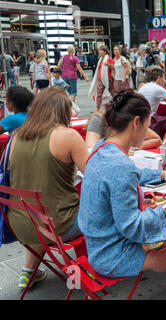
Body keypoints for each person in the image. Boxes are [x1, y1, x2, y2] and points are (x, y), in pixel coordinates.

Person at [77, 89, 166, 299]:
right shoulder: (119, 164)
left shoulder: (101, 149)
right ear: (136, 123)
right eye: (148, 126)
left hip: (98, 245)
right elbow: (132, 227)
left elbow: (134, 175)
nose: (147, 131)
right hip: (114, 255)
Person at [7, 87, 89, 289]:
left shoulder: (16, 136)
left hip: (20, 222)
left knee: (41, 210)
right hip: (58, 225)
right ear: (63, 110)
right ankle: (92, 269)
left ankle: (28, 272)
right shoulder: (67, 135)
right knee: (102, 207)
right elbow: (96, 176)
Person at [85, 109, 162, 151]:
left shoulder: (130, 120)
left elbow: (156, 139)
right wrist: (120, 150)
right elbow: (91, 149)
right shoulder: (98, 119)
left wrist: (133, 148)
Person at [138, 67, 166, 139]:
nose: (164, 81)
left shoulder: (144, 86)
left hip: (140, 117)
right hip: (150, 118)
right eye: (164, 79)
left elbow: (154, 97)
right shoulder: (159, 88)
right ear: (159, 78)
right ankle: (165, 144)